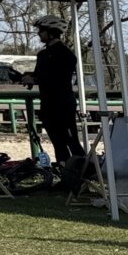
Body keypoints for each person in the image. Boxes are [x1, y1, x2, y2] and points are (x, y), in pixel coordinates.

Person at [30, 15, 82, 168]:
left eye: (41, 30)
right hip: (48, 104)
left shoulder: (66, 55)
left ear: (51, 32)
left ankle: (84, 172)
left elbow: (57, 78)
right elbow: (39, 75)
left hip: (63, 104)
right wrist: (26, 77)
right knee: (58, 143)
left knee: (72, 141)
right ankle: (65, 172)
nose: (39, 33)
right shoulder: (42, 54)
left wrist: (36, 79)